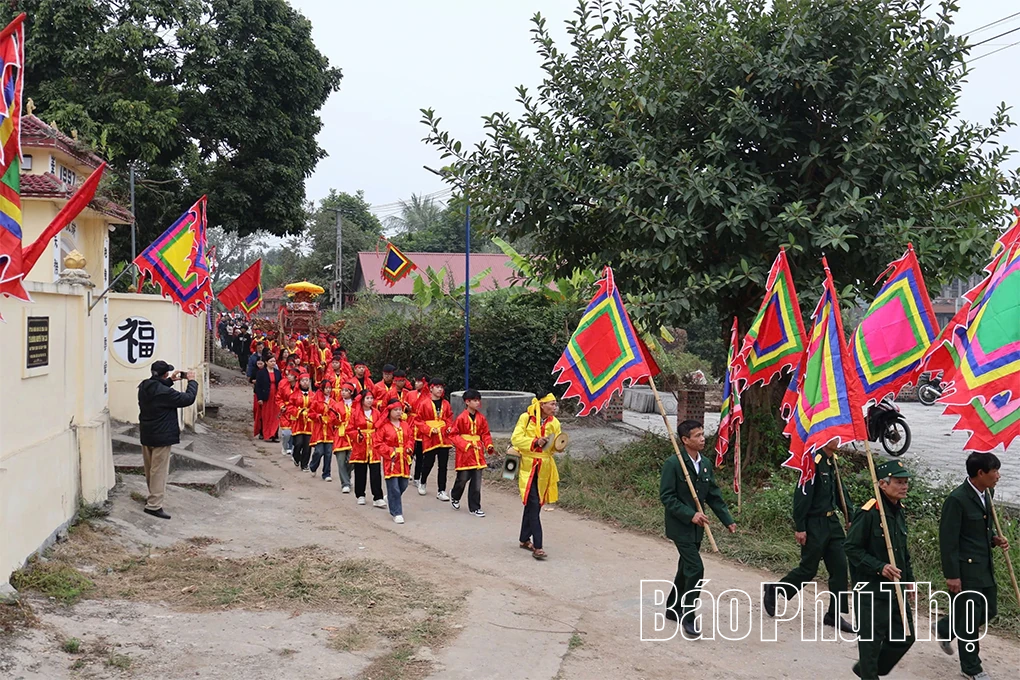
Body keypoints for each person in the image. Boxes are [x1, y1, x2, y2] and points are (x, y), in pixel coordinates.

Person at [764, 439, 855, 632]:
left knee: (840, 568)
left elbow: (840, 493)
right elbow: (802, 495)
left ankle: (833, 614)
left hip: (832, 524)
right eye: (834, 437)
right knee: (808, 569)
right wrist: (800, 526)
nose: (839, 441)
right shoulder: (812, 462)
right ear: (824, 437)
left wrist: (850, 517)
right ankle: (775, 589)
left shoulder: (832, 462)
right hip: (814, 524)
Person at [934, 452, 1010, 680]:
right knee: (968, 620)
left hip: (984, 566)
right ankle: (971, 668)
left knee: (989, 610)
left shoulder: (988, 493)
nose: (998, 476)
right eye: (994, 471)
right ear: (980, 473)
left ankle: (946, 628)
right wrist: (952, 576)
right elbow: (948, 541)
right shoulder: (957, 500)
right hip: (965, 569)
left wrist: (994, 539)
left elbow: (980, 531)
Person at [659, 419, 736, 638]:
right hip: (680, 526)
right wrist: (690, 514)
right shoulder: (673, 464)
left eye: (703, 434)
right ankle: (688, 615)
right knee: (696, 568)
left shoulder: (705, 464)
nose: (702, 439)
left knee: (686, 567)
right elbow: (667, 497)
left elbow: (713, 495)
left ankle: (673, 607)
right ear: (685, 440)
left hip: (698, 528)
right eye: (697, 436)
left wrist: (727, 519)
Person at [845, 459, 915, 680]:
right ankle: (869, 672)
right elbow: (851, 548)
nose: (904, 487)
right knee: (871, 643)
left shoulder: (898, 511)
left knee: (905, 636)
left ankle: (869, 669)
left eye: (905, 482)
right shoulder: (869, 512)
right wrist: (879, 567)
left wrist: (910, 580)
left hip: (896, 588)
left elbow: (903, 552)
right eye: (899, 482)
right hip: (871, 589)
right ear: (883, 484)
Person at [137, 360, 198, 520]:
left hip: (147, 433)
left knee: (151, 468)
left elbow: (160, 391)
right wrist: (192, 381)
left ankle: (152, 497)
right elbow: (188, 399)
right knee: (159, 471)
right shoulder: (165, 393)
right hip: (161, 436)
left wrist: (170, 381)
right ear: (164, 374)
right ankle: (154, 505)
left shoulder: (144, 386)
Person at [510, 394, 564, 561]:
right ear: (542, 405)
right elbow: (516, 439)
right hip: (528, 465)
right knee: (533, 503)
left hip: (545, 468)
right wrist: (535, 441)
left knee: (535, 504)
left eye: (555, 405)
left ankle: (524, 539)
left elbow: (556, 446)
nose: (554, 408)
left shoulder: (554, 423)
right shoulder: (526, 418)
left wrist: (557, 447)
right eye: (552, 404)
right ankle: (538, 546)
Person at [449, 389, 493, 516]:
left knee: (476, 482)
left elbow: (485, 433)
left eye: (478, 400)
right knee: (462, 478)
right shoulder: (461, 418)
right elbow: (453, 434)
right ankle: (455, 495)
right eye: (474, 400)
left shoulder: (481, 418)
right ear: (467, 402)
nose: (477, 402)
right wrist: (465, 445)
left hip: (478, 452)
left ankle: (475, 507)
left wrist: (488, 444)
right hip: (465, 453)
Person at [375, 398, 415, 524]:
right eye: (396, 410)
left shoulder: (405, 424)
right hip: (391, 461)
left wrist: (409, 448)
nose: (398, 412)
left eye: (400, 410)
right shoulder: (384, 427)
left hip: (404, 459)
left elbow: (410, 438)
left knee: (403, 484)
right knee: (394, 487)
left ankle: (391, 498)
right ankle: (396, 512)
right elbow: (378, 443)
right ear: (389, 411)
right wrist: (390, 452)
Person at [415, 377, 454, 500]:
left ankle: (441, 490)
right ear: (431, 388)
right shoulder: (424, 403)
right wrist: (430, 430)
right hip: (431, 437)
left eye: (441, 387)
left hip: (444, 437)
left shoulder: (446, 403)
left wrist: (448, 427)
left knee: (443, 465)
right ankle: (423, 481)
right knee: (428, 462)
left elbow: (449, 418)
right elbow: (418, 421)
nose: (440, 389)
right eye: (437, 387)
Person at [350, 390, 386, 507]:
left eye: (371, 398)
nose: (370, 400)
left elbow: (381, 428)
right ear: (362, 400)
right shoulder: (355, 413)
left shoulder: (376, 412)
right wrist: (357, 436)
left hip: (374, 444)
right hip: (360, 444)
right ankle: (360, 495)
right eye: (367, 398)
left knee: (375, 471)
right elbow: (349, 429)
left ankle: (378, 497)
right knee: (360, 470)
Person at [332, 381, 357, 494]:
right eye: (342, 390)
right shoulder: (336, 405)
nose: (343, 392)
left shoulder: (357, 405)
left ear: (351, 392)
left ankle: (346, 476)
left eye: (346, 391)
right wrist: (336, 419)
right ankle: (345, 483)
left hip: (353, 435)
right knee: (341, 460)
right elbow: (332, 421)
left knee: (352, 459)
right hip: (340, 434)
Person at [308, 379, 335, 481]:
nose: (328, 390)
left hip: (329, 431)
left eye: (329, 388)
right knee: (319, 451)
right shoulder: (316, 400)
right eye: (326, 388)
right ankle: (313, 465)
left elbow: (335, 415)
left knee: (328, 452)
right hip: (319, 429)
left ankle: (326, 473)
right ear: (322, 389)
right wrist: (317, 416)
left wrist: (330, 419)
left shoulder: (333, 402)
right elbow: (310, 413)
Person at [287, 372, 314, 470]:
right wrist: (299, 411)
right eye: (303, 380)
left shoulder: (313, 395)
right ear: (300, 382)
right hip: (298, 422)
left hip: (309, 422)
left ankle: (304, 464)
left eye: (307, 380)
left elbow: (316, 407)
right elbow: (290, 407)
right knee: (298, 443)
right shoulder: (294, 395)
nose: (305, 382)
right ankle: (296, 456)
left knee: (308, 445)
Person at [254, 354, 282, 442]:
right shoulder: (261, 373)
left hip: (276, 396)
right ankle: (265, 433)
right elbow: (258, 386)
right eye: (271, 361)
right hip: (266, 396)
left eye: (274, 361)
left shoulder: (278, 372)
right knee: (266, 415)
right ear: (266, 362)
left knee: (276, 415)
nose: (273, 363)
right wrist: (259, 398)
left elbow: (281, 385)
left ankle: (274, 434)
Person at [411, 374, 429, 488]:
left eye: (419, 382)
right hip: (411, 424)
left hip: (422, 427)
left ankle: (417, 476)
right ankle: (405, 472)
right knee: (409, 451)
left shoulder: (428, 397)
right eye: (415, 382)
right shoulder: (410, 394)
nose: (416, 384)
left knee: (420, 454)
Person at [277, 365, 296, 457]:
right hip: (285, 411)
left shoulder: (299, 387)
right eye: (288, 374)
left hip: (295, 412)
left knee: (294, 432)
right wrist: (282, 406)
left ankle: (291, 448)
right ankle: (284, 446)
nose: (288, 376)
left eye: (291, 375)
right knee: (286, 433)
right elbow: (278, 397)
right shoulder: (283, 385)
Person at [250, 355, 266, 438]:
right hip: (257, 393)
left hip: (265, 393)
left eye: (261, 363)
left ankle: (263, 431)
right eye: (258, 363)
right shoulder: (255, 370)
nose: (260, 365)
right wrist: (254, 381)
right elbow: (250, 379)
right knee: (256, 411)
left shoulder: (266, 371)